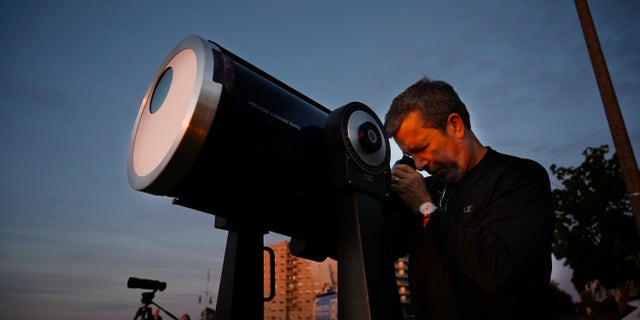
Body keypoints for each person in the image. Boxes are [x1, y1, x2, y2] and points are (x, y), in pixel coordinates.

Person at [384, 77, 556, 319]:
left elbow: (497, 270)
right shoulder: (425, 189)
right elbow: (379, 244)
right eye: (410, 154)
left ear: (455, 125)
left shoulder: (520, 177)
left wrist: (424, 207)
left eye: (422, 147)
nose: (420, 164)